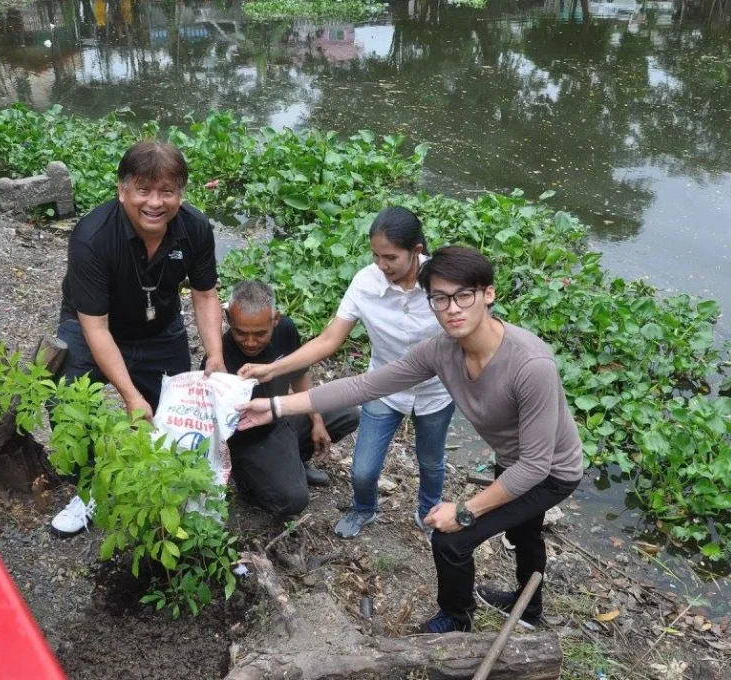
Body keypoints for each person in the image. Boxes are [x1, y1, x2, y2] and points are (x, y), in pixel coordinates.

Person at [236, 246, 583, 634]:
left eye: (463, 295)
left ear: (488, 294)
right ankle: (528, 606)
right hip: (514, 458)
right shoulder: (441, 351)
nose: (452, 308)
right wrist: (278, 406)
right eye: (439, 298)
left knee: (452, 540)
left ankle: (456, 619)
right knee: (524, 531)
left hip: (551, 471)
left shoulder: (530, 365)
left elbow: (535, 466)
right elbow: (366, 385)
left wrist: (465, 510)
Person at [238, 207, 454, 539]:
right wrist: (272, 368)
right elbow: (328, 340)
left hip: (436, 391)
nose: (381, 265)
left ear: (417, 252)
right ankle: (364, 509)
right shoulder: (365, 283)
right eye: (376, 255)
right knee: (364, 469)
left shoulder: (442, 284)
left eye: (391, 258)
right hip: (383, 386)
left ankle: (428, 514)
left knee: (431, 462)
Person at [51, 140, 225, 536]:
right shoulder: (91, 237)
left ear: (181, 193)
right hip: (91, 324)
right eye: (143, 190)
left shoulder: (195, 230)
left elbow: (205, 295)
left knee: (175, 408)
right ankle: (89, 487)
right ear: (122, 189)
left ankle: (163, 483)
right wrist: (130, 395)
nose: (155, 202)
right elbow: (96, 327)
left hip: (159, 327)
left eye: (167, 191)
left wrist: (215, 354)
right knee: (68, 402)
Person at [209, 280, 359, 517]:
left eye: (260, 334)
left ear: (275, 319)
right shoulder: (220, 355)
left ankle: (295, 460)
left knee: (348, 413)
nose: (250, 342)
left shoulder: (286, 329)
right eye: (241, 333)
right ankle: (250, 481)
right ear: (229, 319)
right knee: (293, 501)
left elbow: (299, 375)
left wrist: (317, 421)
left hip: (282, 414)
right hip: (251, 439)